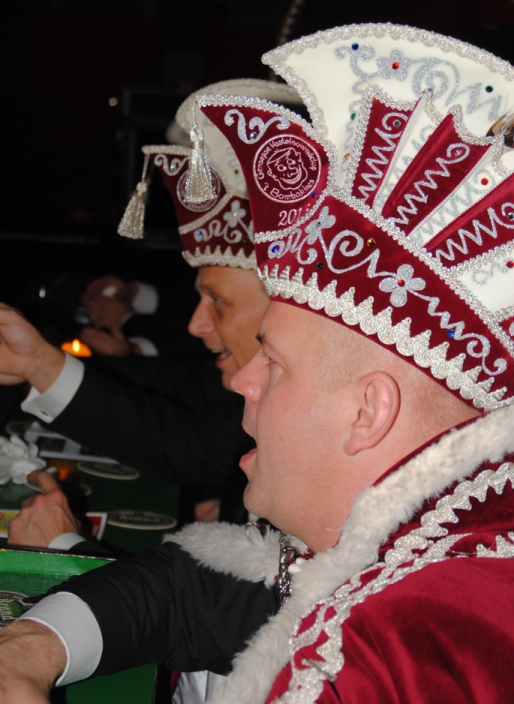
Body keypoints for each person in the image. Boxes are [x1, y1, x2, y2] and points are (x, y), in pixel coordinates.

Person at [1, 23, 514, 704]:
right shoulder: (400, 548)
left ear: (368, 411)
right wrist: (31, 646)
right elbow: (202, 590)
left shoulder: (418, 643)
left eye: (273, 361)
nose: (242, 379)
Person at [3, 78, 303, 548]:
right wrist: (36, 363)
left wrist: (67, 548)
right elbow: (180, 416)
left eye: (219, 302)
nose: (195, 324)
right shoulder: (262, 402)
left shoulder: (318, 443)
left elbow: (177, 440)